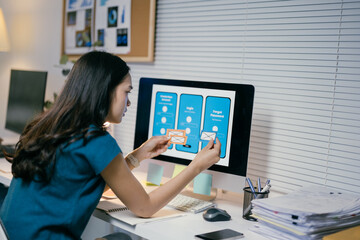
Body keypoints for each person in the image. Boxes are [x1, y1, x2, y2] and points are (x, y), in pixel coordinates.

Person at [0, 51, 221, 239]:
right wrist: (196, 166)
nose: (129, 101)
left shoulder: (50, 125)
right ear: (105, 91)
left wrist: (137, 156)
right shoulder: (95, 140)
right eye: (127, 92)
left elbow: (83, 185)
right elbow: (144, 207)